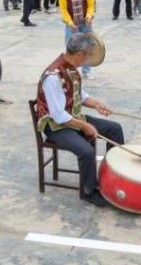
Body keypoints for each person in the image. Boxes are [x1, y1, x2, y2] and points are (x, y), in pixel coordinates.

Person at [34, 32, 125, 208]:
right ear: (79, 54)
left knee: (115, 129)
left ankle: (114, 175)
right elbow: (58, 116)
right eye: (87, 56)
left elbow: (80, 95)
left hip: (72, 117)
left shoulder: (70, 68)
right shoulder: (53, 77)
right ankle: (89, 191)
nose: (88, 59)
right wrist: (84, 126)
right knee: (86, 151)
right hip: (55, 126)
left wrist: (97, 104)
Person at [58, 0, 96, 78]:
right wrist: (70, 23)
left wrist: (89, 17)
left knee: (87, 47)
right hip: (71, 24)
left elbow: (91, 5)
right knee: (71, 48)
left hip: (85, 23)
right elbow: (63, 10)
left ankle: (86, 71)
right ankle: (71, 71)